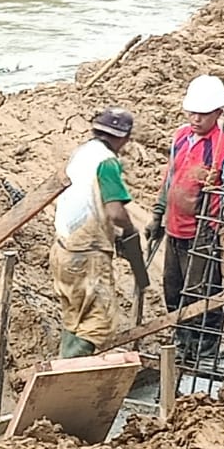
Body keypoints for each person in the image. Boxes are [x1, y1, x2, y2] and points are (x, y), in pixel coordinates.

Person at [147, 75, 224, 358]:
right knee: (173, 289)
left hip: (204, 229)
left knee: (201, 290)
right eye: (192, 112)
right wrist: (158, 213)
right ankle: (184, 342)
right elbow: (170, 177)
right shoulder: (180, 136)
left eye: (203, 114)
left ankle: (206, 346)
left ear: (219, 112)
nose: (195, 119)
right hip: (175, 226)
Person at [50, 107, 139, 358]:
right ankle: (69, 380)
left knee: (75, 317)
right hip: (87, 254)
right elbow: (115, 212)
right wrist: (130, 232)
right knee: (98, 323)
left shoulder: (82, 153)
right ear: (124, 138)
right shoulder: (107, 162)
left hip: (63, 248)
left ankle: (65, 368)